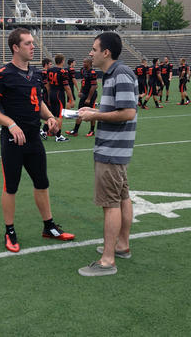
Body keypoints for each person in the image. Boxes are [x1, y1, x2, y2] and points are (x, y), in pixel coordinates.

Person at [0, 28, 75, 253]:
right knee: (11, 186)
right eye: (28, 43)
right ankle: (10, 230)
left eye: (33, 43)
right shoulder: (3, 73)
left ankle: (49, 226)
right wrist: (10, 123)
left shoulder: (35, 73)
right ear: (16, 47)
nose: (33, 46)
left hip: (34, 138)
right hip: (14, 140)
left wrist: (50, 117)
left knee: (42, 182)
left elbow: (38, 102)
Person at [77, 32, 138, 277]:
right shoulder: (113, 75)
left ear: (106, 52)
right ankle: (121, 245)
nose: (90, 53)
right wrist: (93, 110)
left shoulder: (120, 74)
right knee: (122, 198)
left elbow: (127, 113)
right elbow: (116, 108)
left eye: (94, 49)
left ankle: (107, 260)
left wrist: (95, 116)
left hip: (112, 150)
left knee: (110, 203)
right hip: (115, 149)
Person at [65, 58, 98, 137]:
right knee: (79, 111)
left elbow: (94, 86)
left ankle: (92, 130)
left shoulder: (92, 72)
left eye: (85, 62)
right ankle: (75, 131)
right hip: (84, 93)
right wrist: (80, 91)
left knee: (92, 113)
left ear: (89, 63)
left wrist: (89, 98)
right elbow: (83, 81)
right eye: (83, 62)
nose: (83, 63)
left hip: (91, 94)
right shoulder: (83, 70)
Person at [47, 54, 75, 142]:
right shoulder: (63, 71)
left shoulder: (50, 70)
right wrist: (71, 99)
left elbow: (47, 84)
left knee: (52, 114)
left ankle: (47, 131)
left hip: (52, 92)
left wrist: (48, 95)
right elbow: (67, 87)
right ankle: (58, 136)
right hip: (59, 94)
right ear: (62, 61)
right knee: (59, 115)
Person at [40, 58, 52, 140]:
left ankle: (45, 130)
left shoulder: (42, 72)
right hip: (45, 94)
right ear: (46, 64)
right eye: (50, 64)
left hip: (42, 93)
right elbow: (47, 86)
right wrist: (49, 96)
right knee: (48, 113)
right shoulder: (45, 72)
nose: (51, 65)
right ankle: (43, 130)